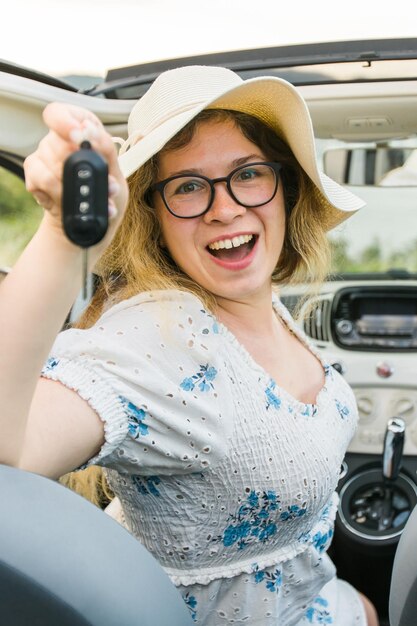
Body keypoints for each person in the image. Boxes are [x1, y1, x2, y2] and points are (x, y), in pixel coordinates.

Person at [0, 64, 379, 626]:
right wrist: (62, 232)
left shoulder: (264, 301)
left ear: (285, 188)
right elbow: (13, 449)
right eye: (188, 186)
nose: (224, 208)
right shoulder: (160, 341)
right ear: (154, 216)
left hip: (313, 597)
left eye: (247, 174)